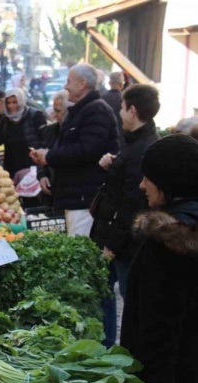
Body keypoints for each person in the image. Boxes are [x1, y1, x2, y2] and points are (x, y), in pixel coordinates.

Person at [120, 134, 198, 383]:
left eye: (148, 177)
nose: (142, 185)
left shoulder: (167, 245)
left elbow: (163, 320)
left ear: (169, 184)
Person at [90, 84, 160, 347]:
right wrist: (114, 163)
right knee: (108, 294)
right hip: (121, 237)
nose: (119, 113)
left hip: (125, 242)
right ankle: (111, 347)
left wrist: (112, 244)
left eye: (121, 107)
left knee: (126, 299)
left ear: (132, 110)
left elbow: (132, 204)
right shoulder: (137, 144)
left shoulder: (142, 149)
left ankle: (121, 350)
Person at [30, 63, 119, 236]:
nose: (65, 86)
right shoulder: (81, 110)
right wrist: (46, 159)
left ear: (82, 83)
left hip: (83, 199)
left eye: (68, 81)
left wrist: (49, 156)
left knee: (79, 246)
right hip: (73, 196)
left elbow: (87, 150)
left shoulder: (96, 110)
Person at [0, 88, 46, 183]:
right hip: (12, 161)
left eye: (14, 102)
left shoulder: (35, 115)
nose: (11, 106)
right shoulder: (5, 118)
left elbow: (44, 140)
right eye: (9, 103)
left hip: (31, 161)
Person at [37, 90, 71, 202]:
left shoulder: (76, 133)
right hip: (51, 191)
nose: (54, 114)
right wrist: (42, 175)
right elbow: (40, 157)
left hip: (69, 192)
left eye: (58, 110)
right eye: (54, 110)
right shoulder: (50, 131)